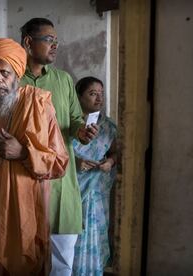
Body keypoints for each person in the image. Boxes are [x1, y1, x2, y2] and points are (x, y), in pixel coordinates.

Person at [0, 37, 69, 275]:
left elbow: (60, 163)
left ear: (17, 74)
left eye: (4, 72)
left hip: (21, 214)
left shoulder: (37, 103)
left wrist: (24, 153)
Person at [19, 18, 99, 276]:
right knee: (22, 258)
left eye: (57, 41)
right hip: (23, 176)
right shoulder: (13, 81)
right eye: (49, 40)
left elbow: (74, 119)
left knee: (62, 260)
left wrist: (82, 131)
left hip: (60, 181)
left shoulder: (63, 80)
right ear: (28, 42)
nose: (55, 45)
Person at [72, 77, 117, 276]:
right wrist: (76, 162)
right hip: (73, 189)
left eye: (101, 93)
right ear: (79, 97)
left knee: (96, 234)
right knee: (70, 237)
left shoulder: (108, 126)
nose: (99, 98)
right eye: (92, 93)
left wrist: (110, 162)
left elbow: (117, 152)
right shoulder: (68, 125)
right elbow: (56, 154)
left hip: (97, 191)